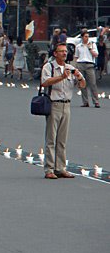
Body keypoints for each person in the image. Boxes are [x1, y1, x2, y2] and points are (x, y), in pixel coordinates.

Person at [41, 43, 85, 179]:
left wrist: (79, 77)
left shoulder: (70, 68)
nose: (64, 54)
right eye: (61, 51)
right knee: (51, 138)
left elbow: (82, 86)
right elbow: (45, 82)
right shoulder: (49, 67)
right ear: (55, 53)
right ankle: (49, 169)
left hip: (67, 105)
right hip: (53, 104)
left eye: (66, 51)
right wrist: (62, 77)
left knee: (62, 139)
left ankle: (60, 168)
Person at [74, 31, 100, 107]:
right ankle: (85, 102)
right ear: (82, 37)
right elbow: (76, 57)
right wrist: (75, 67)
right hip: (80, 64)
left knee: (93, 83)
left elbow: (96, 55)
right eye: (85, 36)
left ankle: (96, 101)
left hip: (89, 64)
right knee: (82, 84)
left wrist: (90, 49)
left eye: (88, 36)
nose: (87, 38)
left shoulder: (92, 44)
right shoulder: (78, 46)